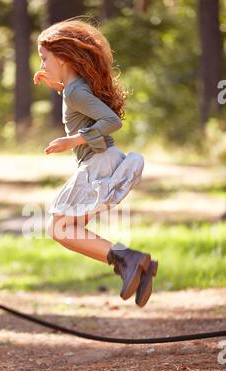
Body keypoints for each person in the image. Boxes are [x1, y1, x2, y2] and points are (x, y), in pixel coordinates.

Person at [33, 18, 158, 307]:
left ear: (63, 58)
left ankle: (129, 260)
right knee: (69, 229)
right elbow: (80, 102)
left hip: (97, 163)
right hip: (101, 161)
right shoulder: (75, 87)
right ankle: (137, 267)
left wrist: (73, 140)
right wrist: (56, 83)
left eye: (45, 59)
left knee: (59, 229)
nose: (42, 65)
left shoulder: (75, 91)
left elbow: (111, 122)